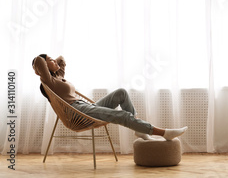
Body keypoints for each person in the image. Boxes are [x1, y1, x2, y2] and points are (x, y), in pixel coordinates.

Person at [32, 54, 187, 141]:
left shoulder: (58, 77)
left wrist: (53, 63)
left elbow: (62, 59)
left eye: (52, 59)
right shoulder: (49, 82)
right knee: (122, 115)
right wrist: (43, 64)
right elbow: (38, 61)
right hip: (76, 113)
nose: (54, 61)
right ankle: (164, 133)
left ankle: (139, 129)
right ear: (43, 68)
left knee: (121, 92)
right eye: (50, 61)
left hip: (86, 108)